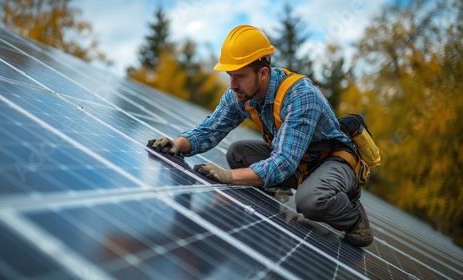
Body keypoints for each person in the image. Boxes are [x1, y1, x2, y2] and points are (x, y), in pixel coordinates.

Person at [148, 25, 373, 247]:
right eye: (229, 76)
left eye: (240, 76)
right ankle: (276, 188)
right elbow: (211, 128)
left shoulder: (301, 96)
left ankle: (354, 216)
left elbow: (284, 162)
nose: (232, 85)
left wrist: (229, 177)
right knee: (238, 153)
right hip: (299, 162)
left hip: (333, 162)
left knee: (310, 201)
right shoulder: (241, 92)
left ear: (263, 73)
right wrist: (176, 144)